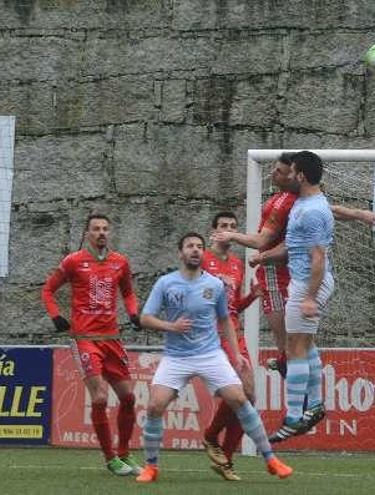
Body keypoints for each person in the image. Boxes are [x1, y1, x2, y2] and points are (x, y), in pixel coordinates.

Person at [135, 232, 292, 483]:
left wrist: (237, 354)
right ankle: (151, 467)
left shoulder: (215, 285)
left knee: (241, 399)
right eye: (189, 246)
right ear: (180, 252)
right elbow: (145, 318)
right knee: (155, 405)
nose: (195, 250)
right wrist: (170, 327)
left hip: (210, 354)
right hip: (176, 357)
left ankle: (271, 460)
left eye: (198, 246)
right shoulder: (166, 283)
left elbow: (225, 320)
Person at [212, 152, 375, 377]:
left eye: (282, 171)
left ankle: (294, 385)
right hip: (291, 273)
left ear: (295, 176)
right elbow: (332, 210)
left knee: (291, 347)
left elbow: (263, 241)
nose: (274, 173)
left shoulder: (286, 203)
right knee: (299, 343)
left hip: (278, 272)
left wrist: (238, 241)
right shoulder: (303, 201)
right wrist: (360, 214)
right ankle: (303, 392)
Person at [41, 212, 143, 476]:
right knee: (99, 396)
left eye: (105, 229)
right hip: (84, 339)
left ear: (110, 233)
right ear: (87, 233)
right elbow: (48, 290)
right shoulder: (74, 261)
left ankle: (124, 454)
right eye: (95, 229)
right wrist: (55, 315)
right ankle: (110, 458)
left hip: (111, 338)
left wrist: (133, 313)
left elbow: (128, 292)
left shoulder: (120, 262)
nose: (100, 233)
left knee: (129, 397)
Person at [254, 151, 335, 442]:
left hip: (307, 283)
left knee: (294, 347)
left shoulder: (312, 210)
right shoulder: (307, 202)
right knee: (306, 344)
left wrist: (310, 297)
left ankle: (292, 418)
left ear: (300, 175)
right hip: (304, 282)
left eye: (291, 172)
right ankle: (314, 405)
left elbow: (318, 258)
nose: (287, 176)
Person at [201, 211, 263, 481]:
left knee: (249, 397)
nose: (228, 230)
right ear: (213, 231)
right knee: (238, 394)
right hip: (210, 335)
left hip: (233, 334)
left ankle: (224, 456)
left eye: (233, 226)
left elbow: (233, 306)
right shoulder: (201, 259)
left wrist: (252, 296)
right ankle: (212, 436)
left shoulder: (238, 264)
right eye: (224, 226)